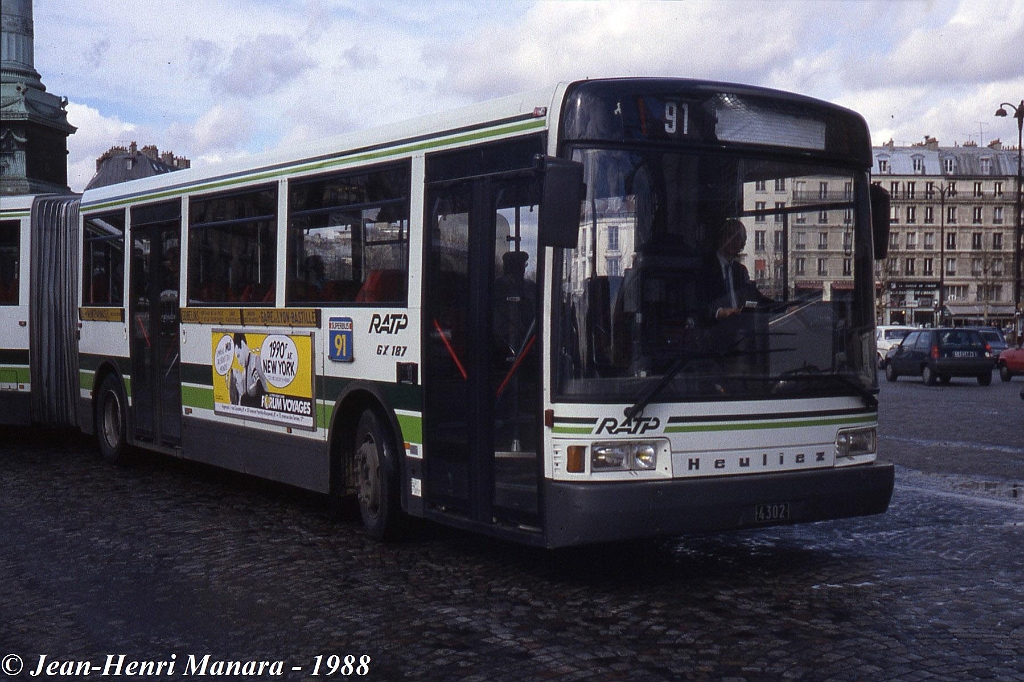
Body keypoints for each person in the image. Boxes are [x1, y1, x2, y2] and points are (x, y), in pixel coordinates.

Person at [703, 218, 773, 322]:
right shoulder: (706, 267)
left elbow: (756, 298)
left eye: (739, 238)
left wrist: (785, 308)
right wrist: (720, 312)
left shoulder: (741, 271)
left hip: (740, 328)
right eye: (730, 235)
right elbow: (699, 304)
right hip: (713, 327)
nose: (735, 241)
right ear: (721, 237)